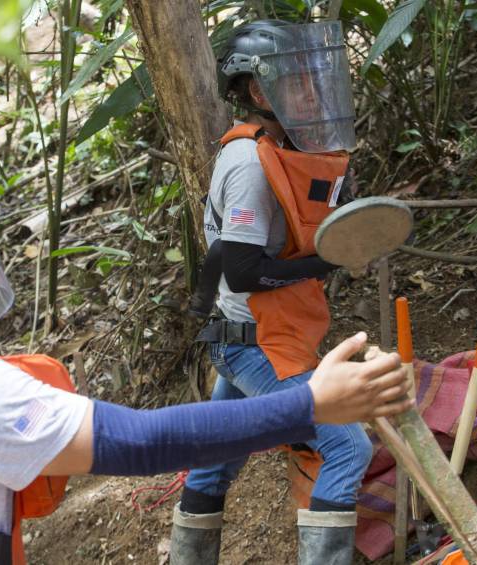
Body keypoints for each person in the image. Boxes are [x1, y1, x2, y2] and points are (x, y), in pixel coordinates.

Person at [0, 121, 410, 565]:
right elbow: (141, 438)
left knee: (218, 460)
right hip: (247, 332)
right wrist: (311, 402)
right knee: (344, 446)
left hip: (241, 329)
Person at [172, 19, 368, 565]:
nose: (313, 91)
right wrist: (324, 261)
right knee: (347, 447)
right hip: (252, 341)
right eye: (299, 81)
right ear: (260, 91)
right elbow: (241, 271)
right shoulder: (249, 165)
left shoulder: (283, 148)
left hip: (258, 331)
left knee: (217, 455)